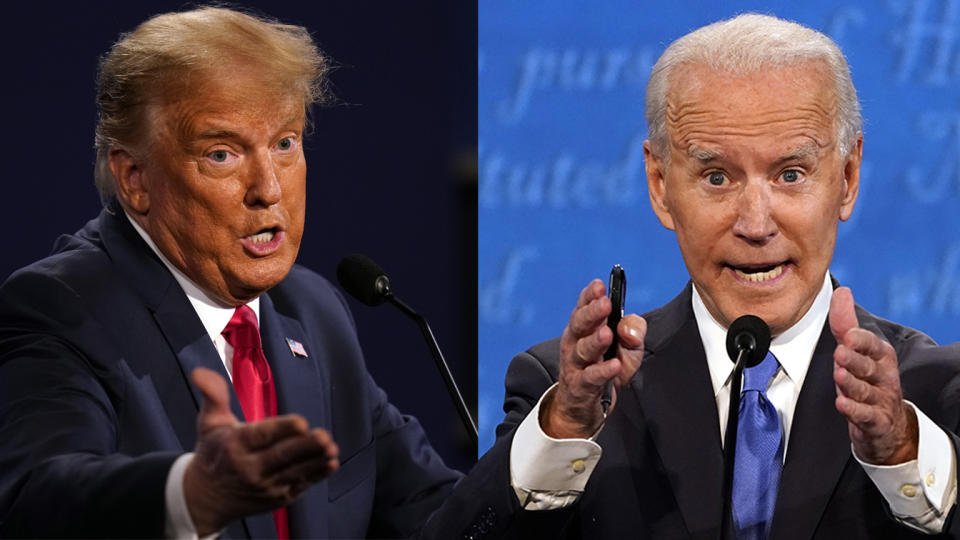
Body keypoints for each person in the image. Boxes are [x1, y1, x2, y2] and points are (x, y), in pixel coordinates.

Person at [440, 13, 960, 540]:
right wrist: (564, 431)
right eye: (716, 177)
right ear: (660, 184)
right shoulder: (568, 396)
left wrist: (900, 454)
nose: (756, 224)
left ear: (847, 178)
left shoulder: (937, 397)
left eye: (791, 174)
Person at [0, 7, 461, 539]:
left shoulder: (312, 310)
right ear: (135, 179)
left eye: (285, 143)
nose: (268, 188)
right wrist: (188, 495)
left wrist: (554, 431)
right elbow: (35, 498)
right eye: (222, 154)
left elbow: (436, 515)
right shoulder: (63, 309)